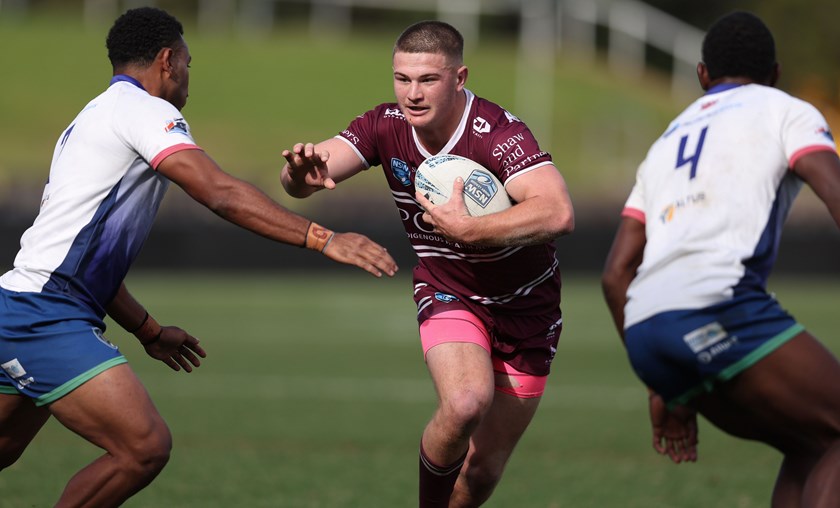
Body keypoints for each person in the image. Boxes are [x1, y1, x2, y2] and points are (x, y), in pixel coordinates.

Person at [0, 7, 397, 507]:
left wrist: (147, 330)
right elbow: (218, 191)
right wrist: (322, 237)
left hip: (20, 304)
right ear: (167, 60)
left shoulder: (90, 117)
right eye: (188, 61)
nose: (190, 74)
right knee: (142, 448)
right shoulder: (146, 111)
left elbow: (75, 259)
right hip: (46, 316)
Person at [281, 20, 574, 507]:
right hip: (449, 290)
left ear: (459, 79)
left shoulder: (498, 133)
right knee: (464, 404)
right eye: (402, 79)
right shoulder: (385, 124)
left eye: (427, 80)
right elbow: (309, 174)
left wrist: (470, 228)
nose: (411, 94)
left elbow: (558, 211)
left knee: (481, 472)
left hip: (529, 308)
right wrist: (297, 175)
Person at [602, 11, 840, 507]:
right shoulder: (786, 110)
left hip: (646, 331)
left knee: (810, 442)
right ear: (775, 73)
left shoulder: (664, 143)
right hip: (719, 305)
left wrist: (663, 385)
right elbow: (833, 189)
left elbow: (615, 274)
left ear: (702, 75)